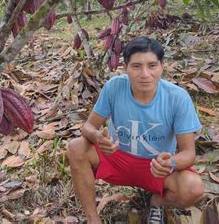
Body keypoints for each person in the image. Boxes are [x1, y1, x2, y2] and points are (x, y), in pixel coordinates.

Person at [67, 36, 204, 224]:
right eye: (136, 66)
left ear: (162, 66)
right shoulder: (114, 87)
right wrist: (97, 136)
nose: (145, 74)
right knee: (76, 147)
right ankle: (93, 219)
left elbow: (189, 153)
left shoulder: (177, 97)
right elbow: (88, 126)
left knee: (194, 188)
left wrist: (170, 162)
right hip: (117, 158)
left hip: (156, 167)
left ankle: (157, 201)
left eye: (152, 66)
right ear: (125, 67)